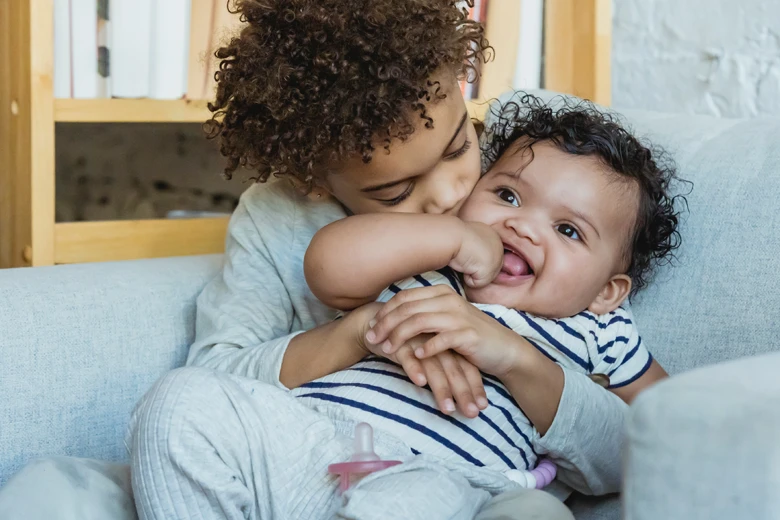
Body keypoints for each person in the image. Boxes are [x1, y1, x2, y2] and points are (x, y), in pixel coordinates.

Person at [124, 2, 634, 520]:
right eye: (395, 193)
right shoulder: (280, 217)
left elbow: (648, 429)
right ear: (314, 180)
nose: (449, 193)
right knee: (175, 404)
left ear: (462, 90)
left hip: (460, 483)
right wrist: (363, 332)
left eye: (459, 148)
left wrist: (516, 358)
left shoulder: (517, 182)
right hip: (317, 450)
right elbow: (217, 375)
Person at [301, 96, 681, 480]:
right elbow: (327, 268)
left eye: (568, 230)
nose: (522, 225)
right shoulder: (429, 259)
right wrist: (455, 237)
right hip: (310, 434)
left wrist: (516, 360)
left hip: (439, 482)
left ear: (606, 292)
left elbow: (677, 424)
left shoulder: (599, 330)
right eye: (507, 196)